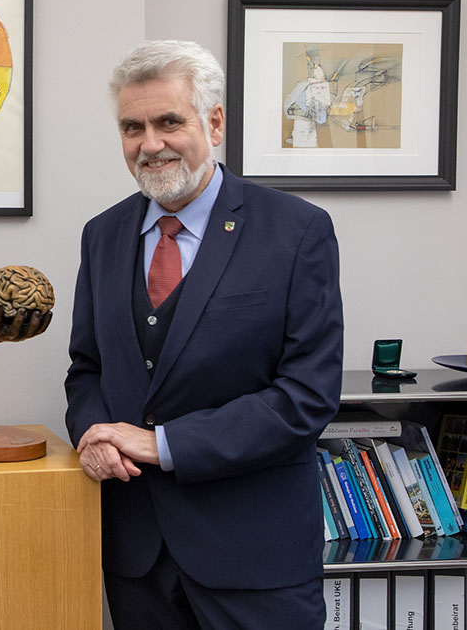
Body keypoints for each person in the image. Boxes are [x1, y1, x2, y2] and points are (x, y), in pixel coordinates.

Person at [65, 40, 343, 629]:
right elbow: (85, 368)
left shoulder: (297, 232)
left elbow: (306, 397)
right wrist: (92, 432)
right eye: (132, 127)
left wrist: (163, 443)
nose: (150, 143)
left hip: (254, 559)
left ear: (214, 122)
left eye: (169, 121)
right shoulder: (102, 235)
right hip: (135, 556)